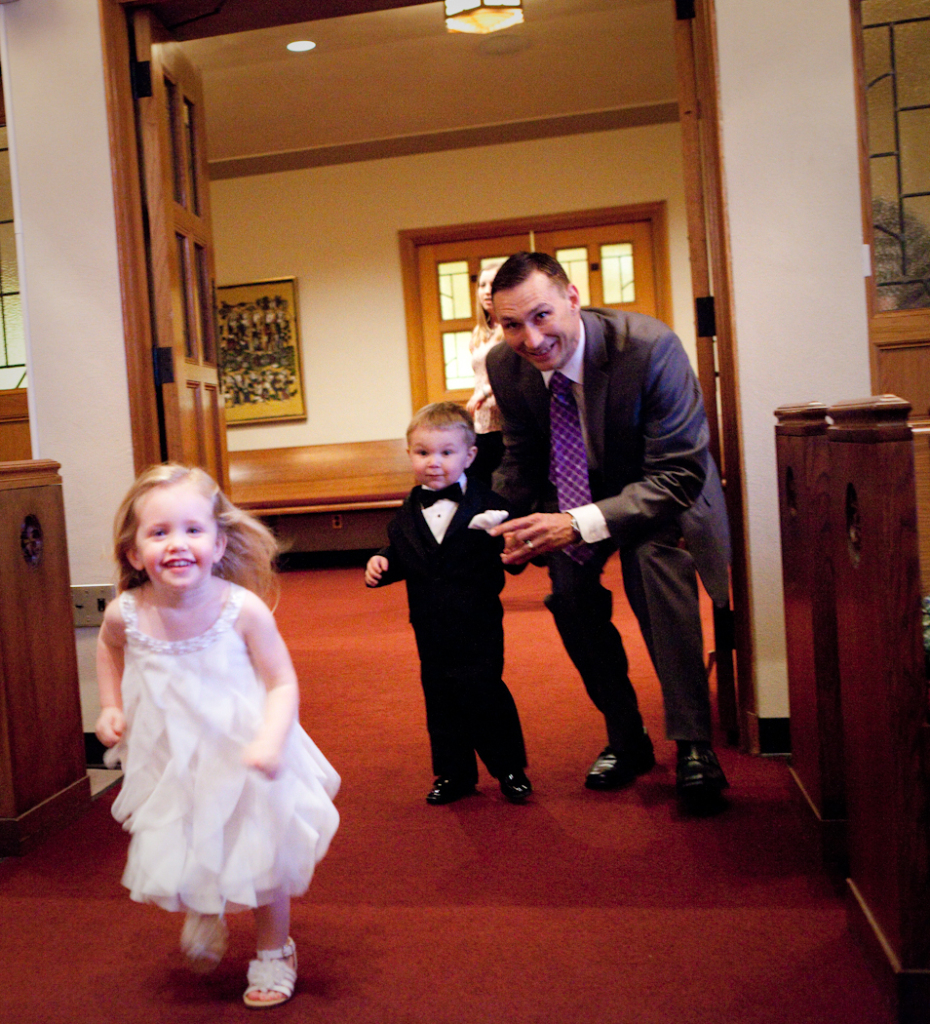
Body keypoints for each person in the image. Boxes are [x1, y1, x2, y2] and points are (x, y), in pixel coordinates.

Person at [485, 252, 732, 813]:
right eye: (512, 324)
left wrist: (578, 523)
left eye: (542, 315)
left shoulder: (649, 347)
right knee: (569, 597)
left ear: (573, 299)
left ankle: (694, 744)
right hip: (573, 491)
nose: (531, 339)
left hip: (661, 492)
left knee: (656, 570)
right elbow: (522, 458)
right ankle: (626, 737)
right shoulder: (505, 366)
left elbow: (679, 473)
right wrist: (493, 522)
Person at [95, 463, 340, 1009]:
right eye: (159, 532)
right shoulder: (125, 614)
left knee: (262, 851)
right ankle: (205, 906)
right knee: (188, 835)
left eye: (192, 529)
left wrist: (271, 740)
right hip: (172, 756)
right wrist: (110, 705)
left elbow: (282, 681)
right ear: (134, 553)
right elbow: (109, 652)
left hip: (246, 752)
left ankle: (275, 952)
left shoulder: (241, 609)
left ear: (219, 542)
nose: (176, 544)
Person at [365, 402, 531, 806]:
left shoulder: (490, 505)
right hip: (429, 623)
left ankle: (509, 768)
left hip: (477, 621)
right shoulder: (407, 511)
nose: (433, 462)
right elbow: (408, 551)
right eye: (423, 453)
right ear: (409, 454)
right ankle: (454, 773)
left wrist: (513, 547)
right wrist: (384, 562)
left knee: (484, 691)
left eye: (446, 452)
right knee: (439, 696)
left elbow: (516, 557)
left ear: (469, 455)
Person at [466, 258, 506, 484]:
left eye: (493, 284)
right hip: (482, 422)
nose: (487, 291)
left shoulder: (512, 328)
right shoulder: (479, 332)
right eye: (482, 285)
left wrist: (485, 392)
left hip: (505, 420)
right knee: (479, 484)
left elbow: (513, 374)